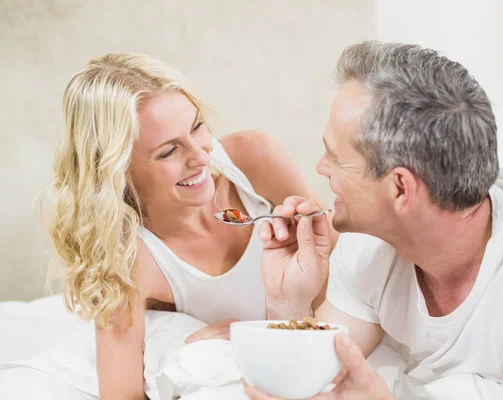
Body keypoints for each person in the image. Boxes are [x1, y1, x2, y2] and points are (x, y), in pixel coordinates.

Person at [246, 41, 503, 399]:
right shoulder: (368, 243)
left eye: (335, 157)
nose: (320, 168)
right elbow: (313, 375)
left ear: (400, 187)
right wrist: (288, 302)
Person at [40, 52, 334, 400]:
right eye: (168, 152)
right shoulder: (130, 259)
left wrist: (264, 329)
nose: (200, 157)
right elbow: (122, 394)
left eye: (197, 127)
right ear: (117, 170)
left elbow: (343, 283)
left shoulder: (254, 160)